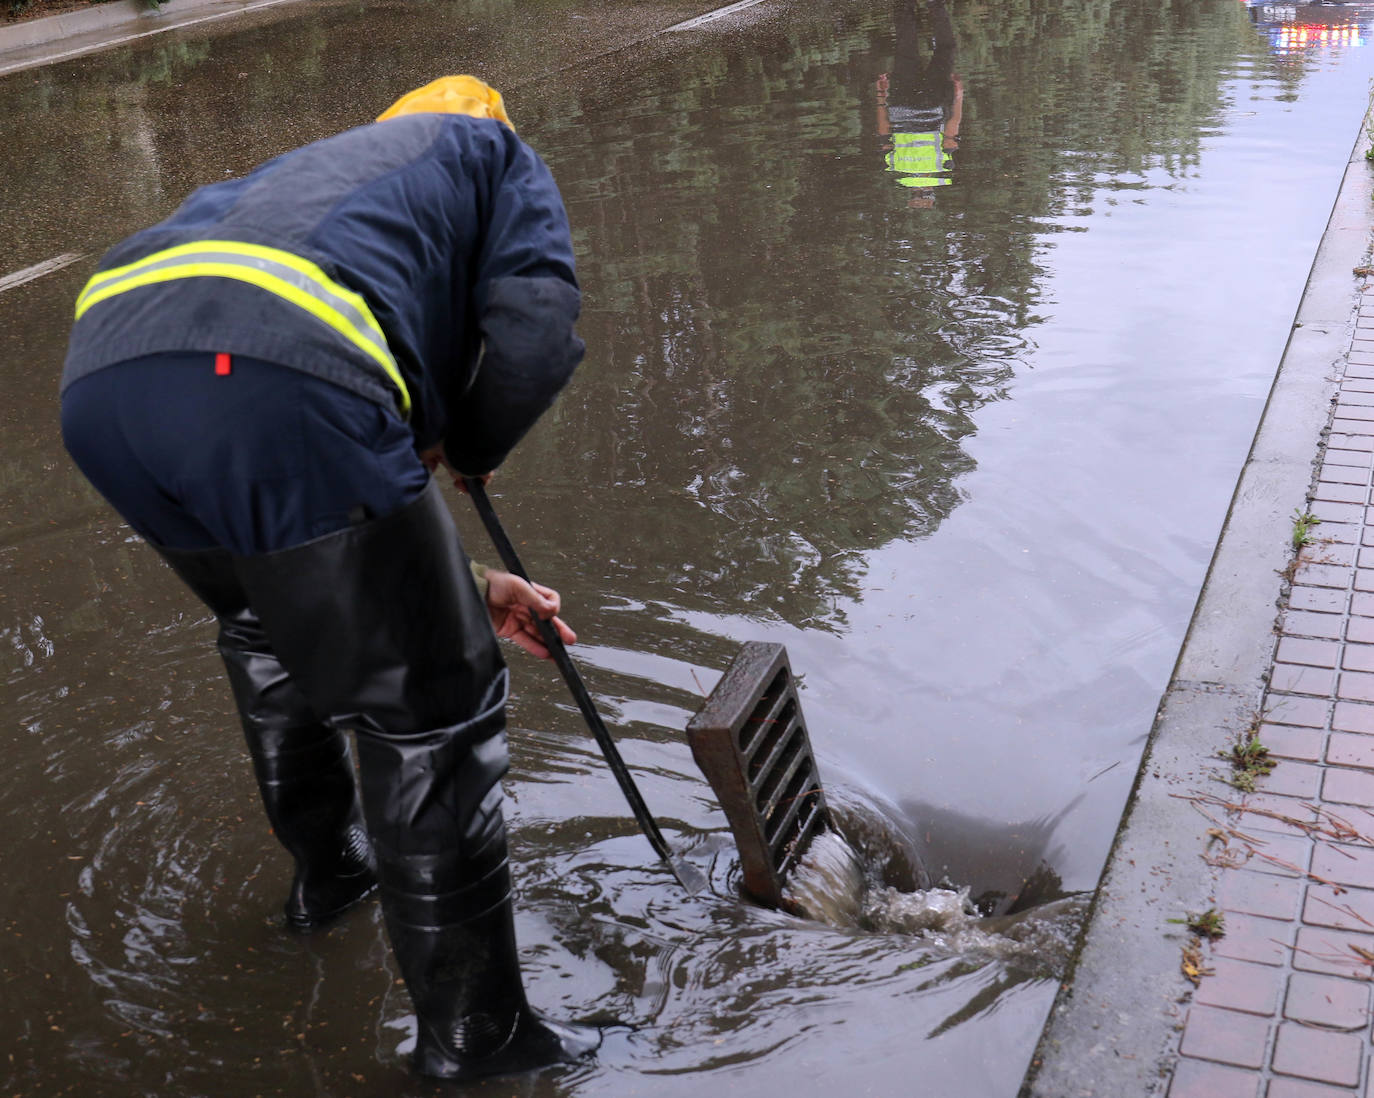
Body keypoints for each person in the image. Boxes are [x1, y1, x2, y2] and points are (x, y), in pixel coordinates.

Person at [58, 75, 600, 1081]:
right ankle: (480, 1042)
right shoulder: (495, 156)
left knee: (266, 627)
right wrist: (472, 443)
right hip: (267, 373)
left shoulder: (326, 180)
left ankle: (329, 881)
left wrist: (457, 575)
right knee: (436, 707)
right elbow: (535, 330)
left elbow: (311, 544)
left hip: (104, 380)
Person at [876, 0, 963, 207]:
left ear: (930, 192)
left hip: (931, 106)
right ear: (912, 192)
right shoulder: (896, 170)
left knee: (946, 48)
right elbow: (883, 132)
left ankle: (935, 5)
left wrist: (958, 96)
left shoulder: (943, 170)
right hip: (901, 106)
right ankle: (904, 4)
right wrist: (881, 96)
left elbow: (950, 135)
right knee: (906, 46)